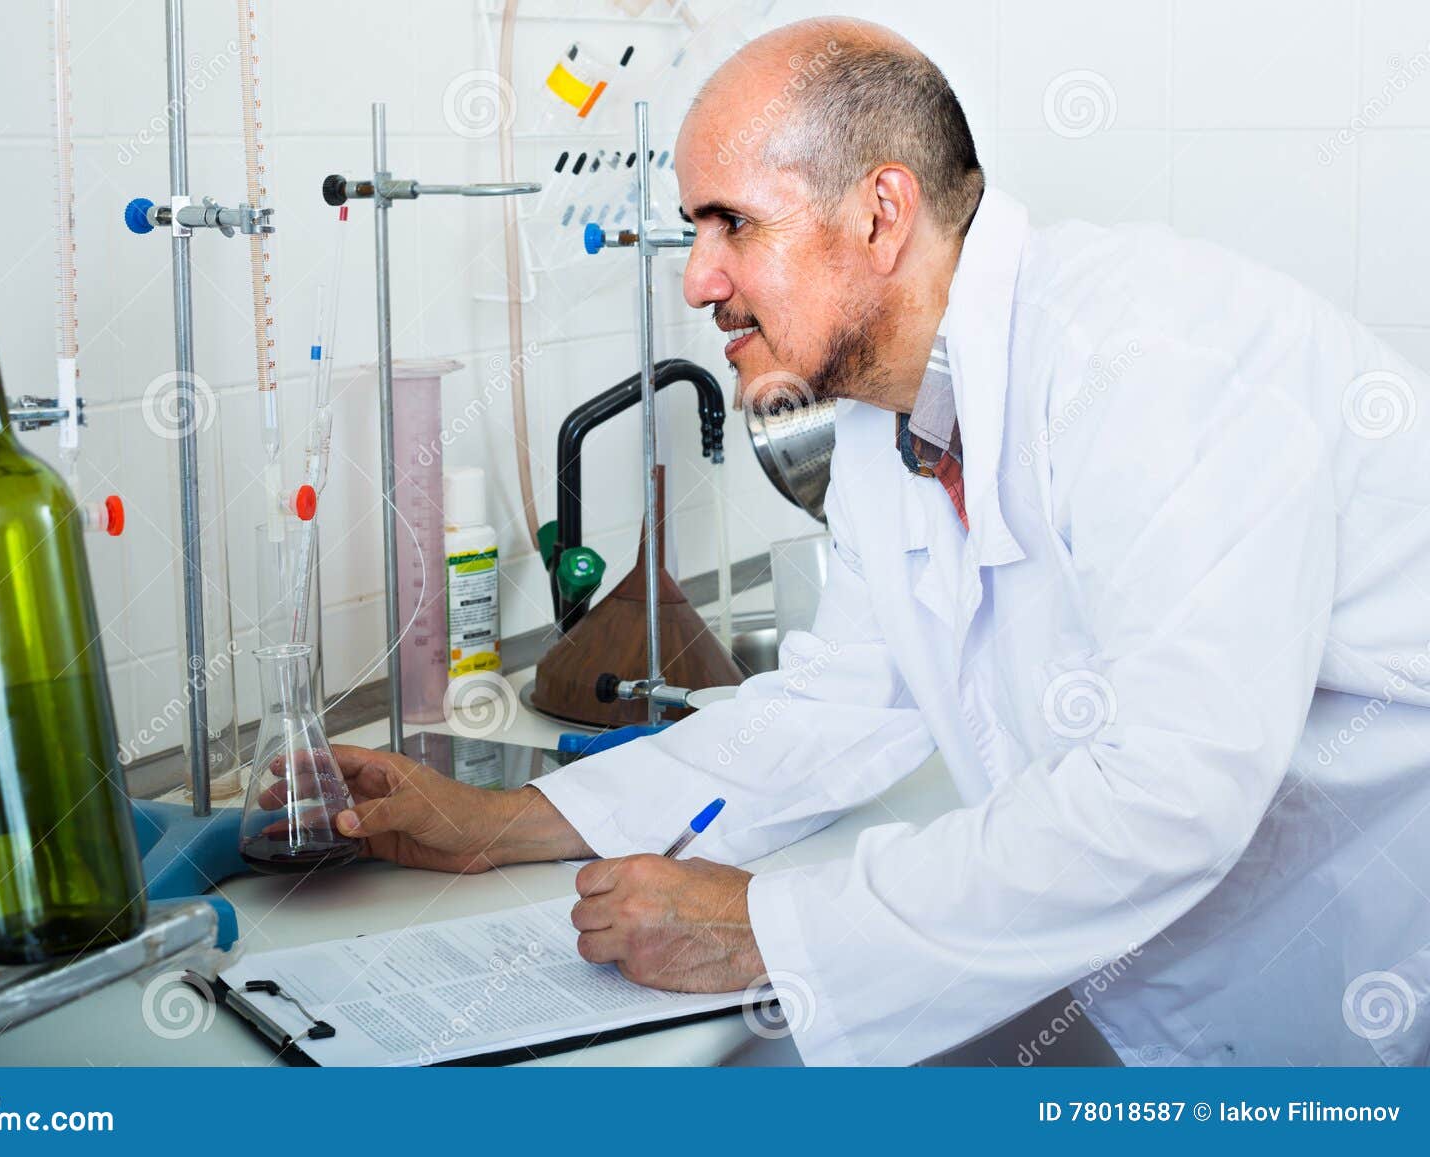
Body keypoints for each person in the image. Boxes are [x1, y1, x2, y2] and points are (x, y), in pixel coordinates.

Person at [331, 16, 1430, 1066]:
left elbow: (1168, 793)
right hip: (1220, 983)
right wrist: (503, 823)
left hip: (1379, 964)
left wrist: (771, 926)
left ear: (879, 215)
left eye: (732, 224)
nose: (696, 279)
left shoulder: (1152, 362)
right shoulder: (889, 420)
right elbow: (838, 704)